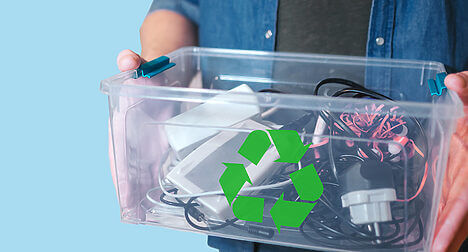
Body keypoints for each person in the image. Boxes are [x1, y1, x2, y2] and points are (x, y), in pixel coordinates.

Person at [115, 1, 468, 251]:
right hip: (245, 233)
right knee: (246, 187)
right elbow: (178, 5)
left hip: (424, 199)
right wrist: (157, 76)